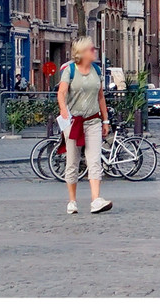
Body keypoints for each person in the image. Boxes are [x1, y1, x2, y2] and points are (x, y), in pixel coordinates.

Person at [57, 38, 112, 214]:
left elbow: (101, 97)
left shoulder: (96, 70)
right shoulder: (70, 70)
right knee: (72, 162)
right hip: (74, 123)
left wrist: (105, 120)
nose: (94, 51)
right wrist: (64, 110)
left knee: (94, 160)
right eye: (91, 49)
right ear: (82, 52)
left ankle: (96, 200)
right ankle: (72, 201)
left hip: (93, 121)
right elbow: (62, 92)